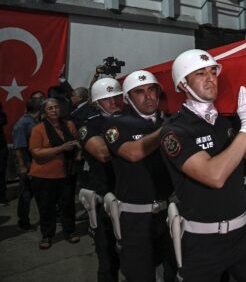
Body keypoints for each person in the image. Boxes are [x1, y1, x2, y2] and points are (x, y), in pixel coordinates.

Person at [159, 49, 246, 281]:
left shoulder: (226, 120)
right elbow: (214, 176)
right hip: (203, 241)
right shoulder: (175, 130)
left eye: (213, 71)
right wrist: (245, 128)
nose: (210, 78)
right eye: (200, 73)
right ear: (183, 84)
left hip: (244, 233)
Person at [104, 70, 176, 281]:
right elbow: (133, 153)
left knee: (173, 270)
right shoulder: (116, 124)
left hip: (168, 212)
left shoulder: (165, 121)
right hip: (135, 217)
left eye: (152, 90)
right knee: (140, 274)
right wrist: (167, 129)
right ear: (127, 98)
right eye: (139, 92)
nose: (148, 96)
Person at [80, 77, 124, 282]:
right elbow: (102, 153)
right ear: (97, 102)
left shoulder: (129, 118)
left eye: (116, 96)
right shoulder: (90, 125)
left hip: (130, 196)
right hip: (104, 197)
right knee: (107, 259)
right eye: (107, 99)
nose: (113, 102)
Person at [28, 98, 82, 249]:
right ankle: (47, 236)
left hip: (66, 174)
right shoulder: (38, 129)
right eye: (50, 108)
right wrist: (61, 148)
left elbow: (77, 141)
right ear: (44, 112)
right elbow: (36, 153)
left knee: (68, 205)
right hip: (44, 176)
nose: (54, 110)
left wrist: (78, 151)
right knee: (46, 208)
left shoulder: (69, 125)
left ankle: (70, 231)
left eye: (56, 107)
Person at [12, 98, 41, 230]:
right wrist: (23, 166)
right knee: (26, 194)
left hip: (35, 162)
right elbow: (18, 147)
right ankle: (23, 220)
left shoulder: (33, 121)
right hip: (27, 163)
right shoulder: (22, 124)